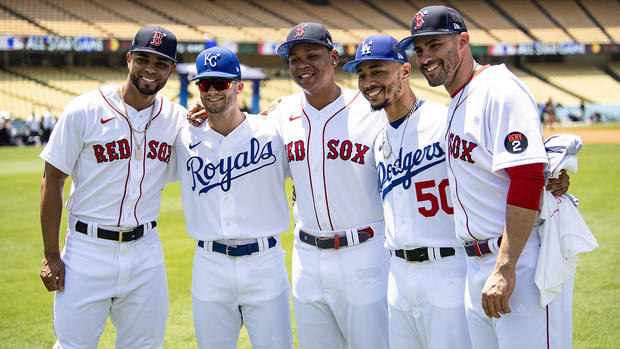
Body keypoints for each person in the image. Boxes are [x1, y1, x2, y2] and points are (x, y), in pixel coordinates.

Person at [189, 23, 391, 349]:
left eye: (313, 55)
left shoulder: (372, 111)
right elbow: (241, 130)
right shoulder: (282, 113)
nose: (303, 64)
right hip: (307, 257)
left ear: (334, 57)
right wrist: (207, 111)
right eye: (295, 59)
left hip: (363, 251)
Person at [402, 5, 571, 348]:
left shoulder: (498, 88)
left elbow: (527, 178)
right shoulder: (457, 101)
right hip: (478, 264)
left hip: (518, 262)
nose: (426, 56)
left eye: (435, 45)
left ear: (463, 41)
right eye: (419, 49)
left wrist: (506, 268)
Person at [39, 26, 184, 349]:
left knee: (146, 345)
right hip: (87, 248)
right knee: (74, 344)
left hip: (146, 248)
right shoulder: (85, 109)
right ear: (129, 58)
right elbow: (52, 180)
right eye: (143, 59)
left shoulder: (177, 119)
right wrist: (51, 255)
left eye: (161, 63)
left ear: (171, 70)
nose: (151, 69)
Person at [343, 34, 472, 349]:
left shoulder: (444, 121)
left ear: (403, 71)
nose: (368, 82)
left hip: (448, 268)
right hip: (398, 275)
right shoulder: (379, 140)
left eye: (377, 71)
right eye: (361, 75)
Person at [172, 46, 293, 349]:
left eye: (221, 83)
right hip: (209, 264)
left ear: (239, 87)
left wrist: (281, 104)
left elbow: (313, 106)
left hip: (265, 262)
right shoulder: (183, 136)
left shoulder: (273, 131)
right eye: (204, 83)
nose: (212, 91)